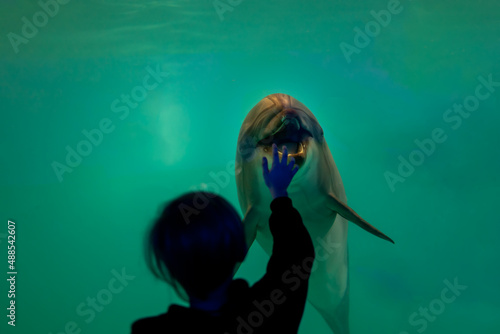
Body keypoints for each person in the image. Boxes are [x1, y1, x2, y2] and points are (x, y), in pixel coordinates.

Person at [131, 143, 315, 333]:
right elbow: (298, 254)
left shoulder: (146, 330)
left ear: (170, 270)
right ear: (242, 250)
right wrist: (279, 194)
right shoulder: (270, 310)